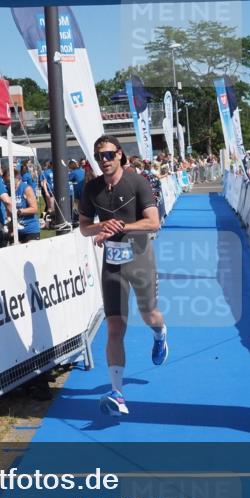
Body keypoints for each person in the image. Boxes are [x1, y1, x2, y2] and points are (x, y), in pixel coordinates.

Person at [78, 135, 168, 417]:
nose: (103, 161)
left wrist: (120, 227)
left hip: (140, 258)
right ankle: (117, 392)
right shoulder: (91, 188)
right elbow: (84, 227)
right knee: (115, 327)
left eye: (108, 155)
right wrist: (101, 226)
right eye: (98, 156)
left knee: (149, 314)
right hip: (113, 264)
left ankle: (160, 334)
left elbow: (154, 222)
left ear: (119, 155)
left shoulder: (137, 182)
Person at [12, 170, 41, 243]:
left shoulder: (26, 189)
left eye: (8, 179)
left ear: (16, 177)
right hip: (16, 231)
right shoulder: (9, 190)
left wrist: (19, 211)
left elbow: (34, 209)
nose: (7, 182)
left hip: (30, 230)